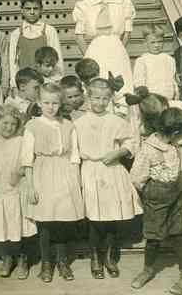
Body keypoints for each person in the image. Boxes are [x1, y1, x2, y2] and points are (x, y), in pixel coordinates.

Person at [74, 78, 142, 280]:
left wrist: (118, 152)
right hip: (90, 170)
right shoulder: (79, 123)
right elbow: (74, 152)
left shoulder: (116, 120)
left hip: (112, 170)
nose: (100, 102)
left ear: (110, 98)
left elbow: (131, 142)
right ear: (88, 97)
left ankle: (110, 256)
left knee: (112, 216)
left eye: (105, 98)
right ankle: (95, 256)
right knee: (94, 217)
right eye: (96, 98)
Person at [23, 83, 84, 283]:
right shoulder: (32, 126)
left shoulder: (68, 125)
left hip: (65, 175)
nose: (51, 107)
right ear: (39, 103)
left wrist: (75, 182)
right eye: (46, 103)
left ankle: (62, 261)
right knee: (46, 222)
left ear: (61, 103)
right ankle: (46, 263)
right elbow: (27, 160)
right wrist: (30, 186)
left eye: (55, 103)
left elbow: (74, 156)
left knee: (62, 222)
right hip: (43, 175)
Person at [125, 87, 182, 236]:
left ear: (165, 103)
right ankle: (165, 226)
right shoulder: (146, 119)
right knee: (166, 193)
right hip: (163, 154)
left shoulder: (178, 105)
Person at [131, 108, 182, 295]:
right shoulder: (148, 149)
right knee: (153, 236)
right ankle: (148, 270)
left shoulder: (173, 144)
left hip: (175, 196)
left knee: (179, 234)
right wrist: (150, 192)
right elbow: (137, 177)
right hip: (156, 199)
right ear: (175, 133)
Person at [72, 0, 136, 117]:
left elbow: (127, 33)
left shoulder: (123, 2)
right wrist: (89, 58)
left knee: (122, 91)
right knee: (98, 92)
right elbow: (79, 36)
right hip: (95, 51)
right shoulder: (84, 5)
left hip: (117, 50)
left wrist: (117, 48)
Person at [0, 105, 34, 280]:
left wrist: (19, 172)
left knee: (17, 224)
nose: (9, 127)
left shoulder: (20, 141)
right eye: (5, 123)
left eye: (13, 124)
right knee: (2, 225)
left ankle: (22, 258)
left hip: (16, 189)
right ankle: (7, 257)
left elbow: (28, 162)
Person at [9, 0, 63, 90]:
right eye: (28, 9)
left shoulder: (49, 31)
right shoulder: (16, 34)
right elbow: (13, 63)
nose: (32, 12)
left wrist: (56, 81)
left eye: (35, 8)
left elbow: (57, 59)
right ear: (21, 10)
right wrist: (14, 85)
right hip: (25, 84)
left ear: (41, 9)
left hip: (46, 83)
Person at [133, 24, 178, 100]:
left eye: (159, 42)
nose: (156, 45)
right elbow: (139, 82)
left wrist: (176, 92)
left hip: (168, 98)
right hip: (151, 99)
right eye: (152, 42)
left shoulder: (169, 59)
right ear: (145, 42)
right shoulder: (142, 60)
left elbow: (173, 79)